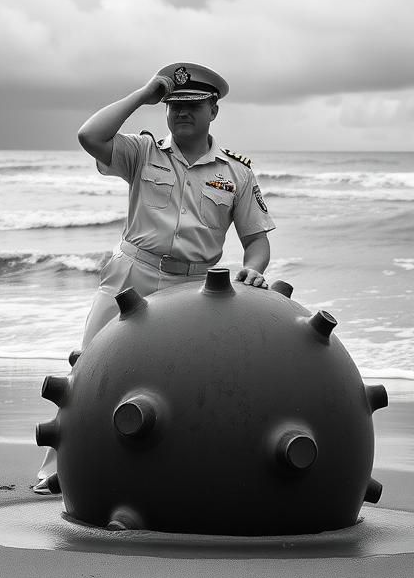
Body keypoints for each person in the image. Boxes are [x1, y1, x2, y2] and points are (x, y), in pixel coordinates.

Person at [33, 62, 275, 494]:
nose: (181, 112)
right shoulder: (142, 152)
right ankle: (57, 465)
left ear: (213, 111)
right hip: (131, 274)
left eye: (193, 105)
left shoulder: (237, 173)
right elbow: (90, 136)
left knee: (184, 380)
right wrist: (144, 94)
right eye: (173, 105)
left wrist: (252, 270)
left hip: (194, 289)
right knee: (90, 367)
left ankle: (174, 465)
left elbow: (257, 242)